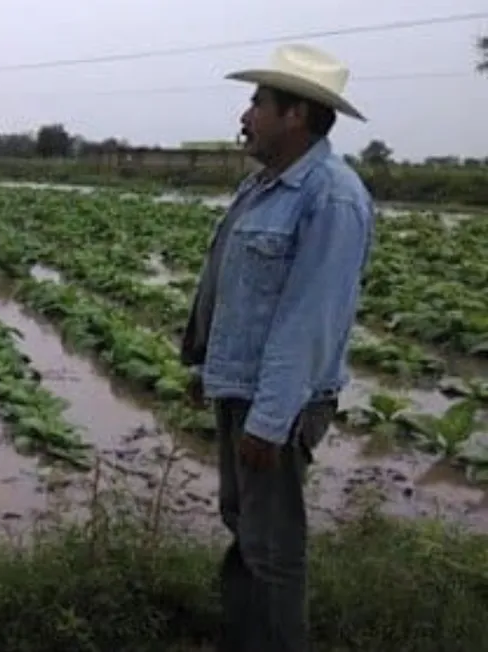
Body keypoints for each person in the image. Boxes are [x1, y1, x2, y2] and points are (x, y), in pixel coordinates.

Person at [179, 44, 376, 652]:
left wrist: (270, 419)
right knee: (245, 529)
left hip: (278, 404)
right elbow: (226, 284)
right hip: (240, 384)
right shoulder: (263, 188)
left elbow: (309, 320)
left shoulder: (331, 197)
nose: (245, 115)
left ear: (296, 115)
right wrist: (203, 364)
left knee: (274, 550)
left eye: (258, 103)